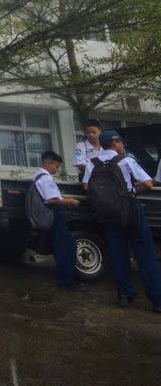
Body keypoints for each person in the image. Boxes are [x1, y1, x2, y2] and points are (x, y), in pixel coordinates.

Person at [82, 130, 161, 311]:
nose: (123, 145)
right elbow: (149, 183)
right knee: (145, 254)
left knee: (118, 254)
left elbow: (87, 186)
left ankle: (124, 295)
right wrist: (130, 190)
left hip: (108, 213)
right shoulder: (125, 160)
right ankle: (157, 300)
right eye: (121, 142)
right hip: (130, 210)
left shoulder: (92, 164)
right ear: (115, 143)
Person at [34, 151, 80, 289]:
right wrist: (70, 201)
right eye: (56, 166)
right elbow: (52, 199)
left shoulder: (38, 175)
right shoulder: (46, 178)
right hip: (55, 215)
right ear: (48, 163)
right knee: (66, 248)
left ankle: (66, 279)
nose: (57, 169)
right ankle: (66, 281)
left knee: (66, 246)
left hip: (51, 215)